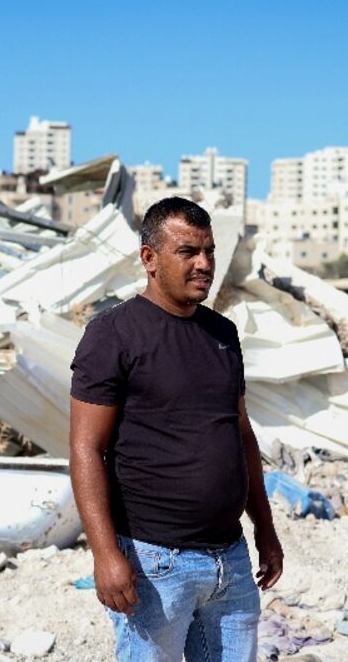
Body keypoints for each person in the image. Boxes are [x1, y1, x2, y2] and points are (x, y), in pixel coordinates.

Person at [69, 197, 283, 662]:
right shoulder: (113, 335)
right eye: (188, 252)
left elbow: (241, 435)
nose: (204, 264)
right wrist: (105, 555)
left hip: (230, 560)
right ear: (150, 258)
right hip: (155, 563)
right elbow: (86, 449)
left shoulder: (222, 334)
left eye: (209, 251)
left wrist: (264, 529)